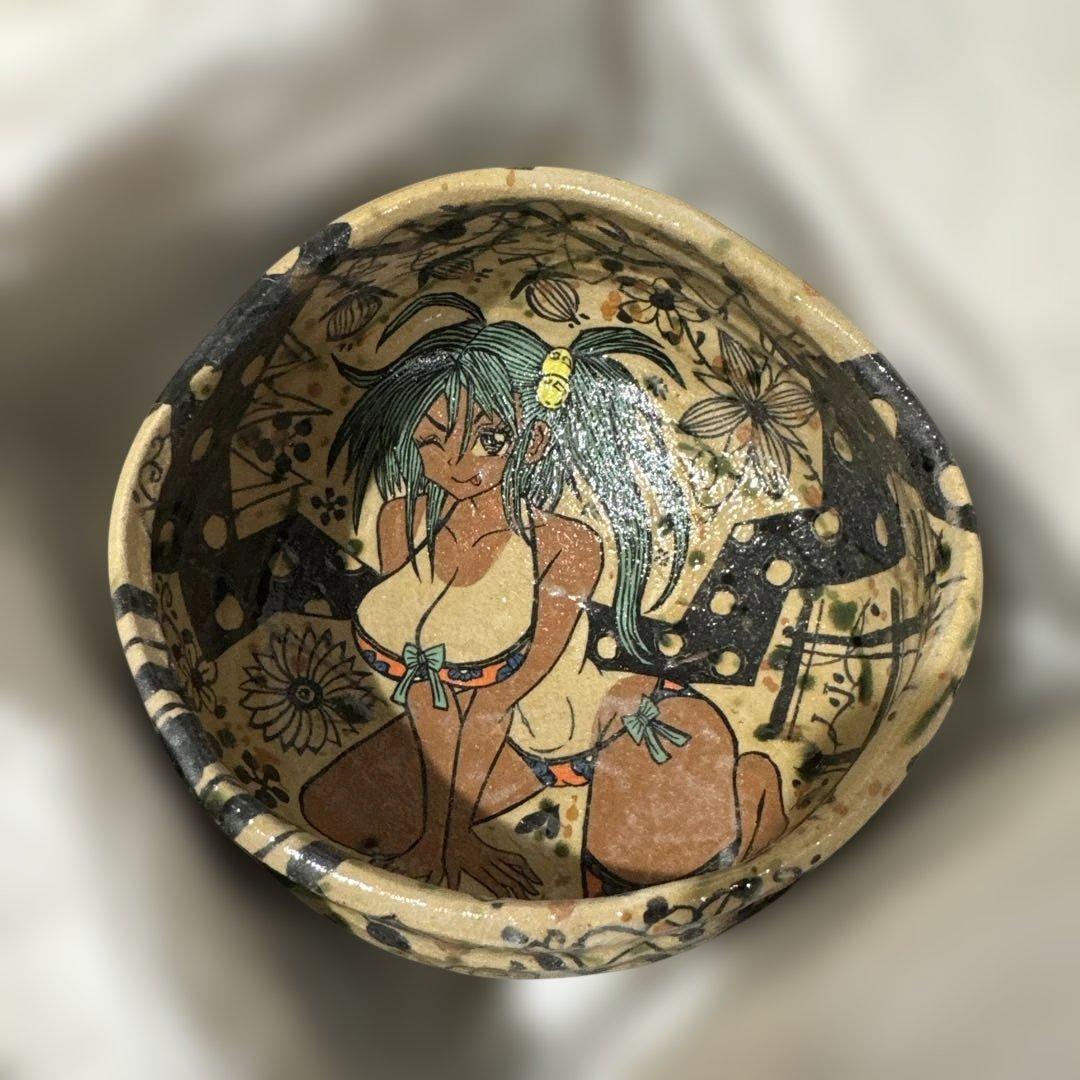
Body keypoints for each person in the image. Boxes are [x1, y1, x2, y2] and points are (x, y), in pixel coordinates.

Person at [300, 293, 786, 898]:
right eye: (432, 440)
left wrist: (448, 839)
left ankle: (751, 786)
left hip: (602, 722)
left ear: (531, 442)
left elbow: (498, 697)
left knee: (635, 886)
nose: (456, 462)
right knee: (331, 816)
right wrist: (441, 835)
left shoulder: (565, 544)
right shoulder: (401, 520)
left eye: (489, 439)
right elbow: (430, 690)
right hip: (506, 741)